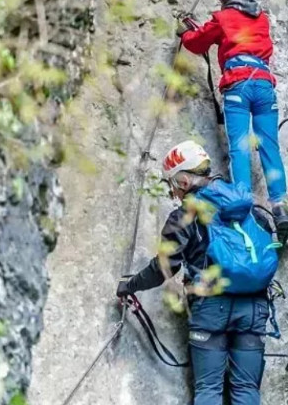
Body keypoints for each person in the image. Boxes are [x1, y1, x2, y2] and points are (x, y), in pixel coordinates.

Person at [116, 140, 279, 405]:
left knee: (208, 390)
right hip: (254, 306)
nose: (174, 195)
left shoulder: (185, 216)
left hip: (211, 308)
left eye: (172, 186)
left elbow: (165, 267)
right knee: (247, 389)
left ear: (182, 181)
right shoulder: (246, 205)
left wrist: (129, 285)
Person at [177, 0, 288, 242]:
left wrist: (185, 32)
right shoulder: (262, 18)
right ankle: (280, 208)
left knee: (240, 148)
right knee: (269, 146)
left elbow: (197, 43)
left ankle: (244, 208)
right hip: (264, 85)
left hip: (238, 87)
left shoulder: (222, 19)